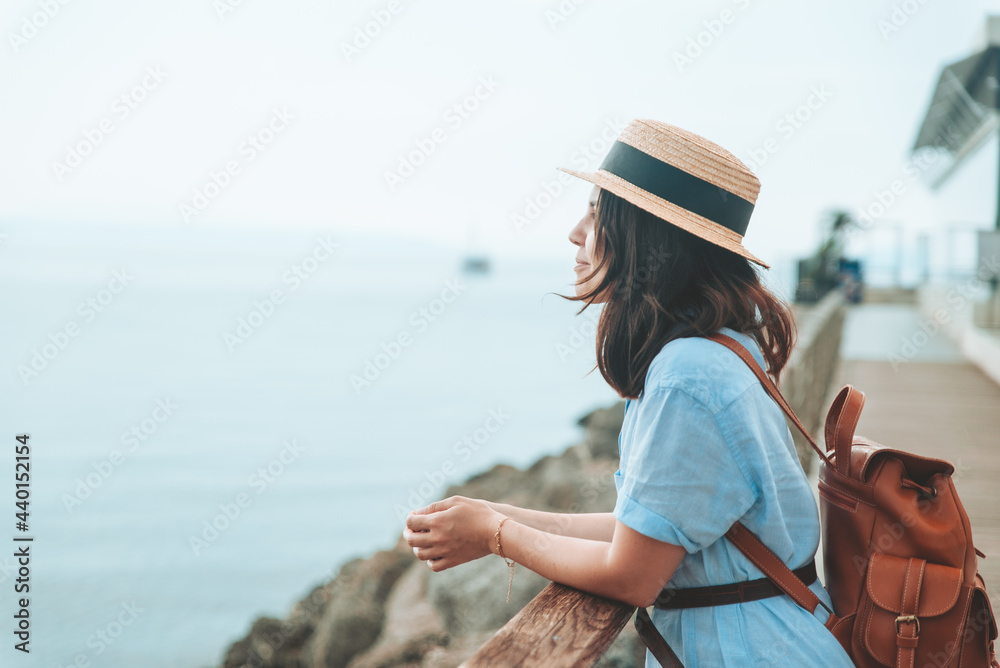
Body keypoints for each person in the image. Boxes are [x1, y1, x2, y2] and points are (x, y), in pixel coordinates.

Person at [403, 119, 854, 666]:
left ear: (645, 238)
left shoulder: (688, 376)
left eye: (595, 214)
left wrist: (497, 534)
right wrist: (497, 514)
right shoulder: (718, 350)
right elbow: (643, 529)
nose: (574, 232)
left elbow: (632, 574)